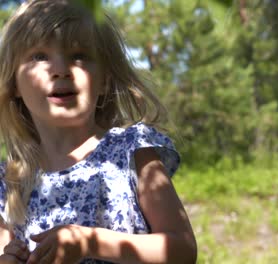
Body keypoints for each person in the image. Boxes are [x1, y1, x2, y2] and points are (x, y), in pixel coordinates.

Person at [0, 0, 197, 263]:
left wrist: (90, 242)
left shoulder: (132, 150)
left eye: (79, 55)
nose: (60, 70)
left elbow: (182, 250)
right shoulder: (10, 181)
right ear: (13, 82)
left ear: (104, 79)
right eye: (39, 56)